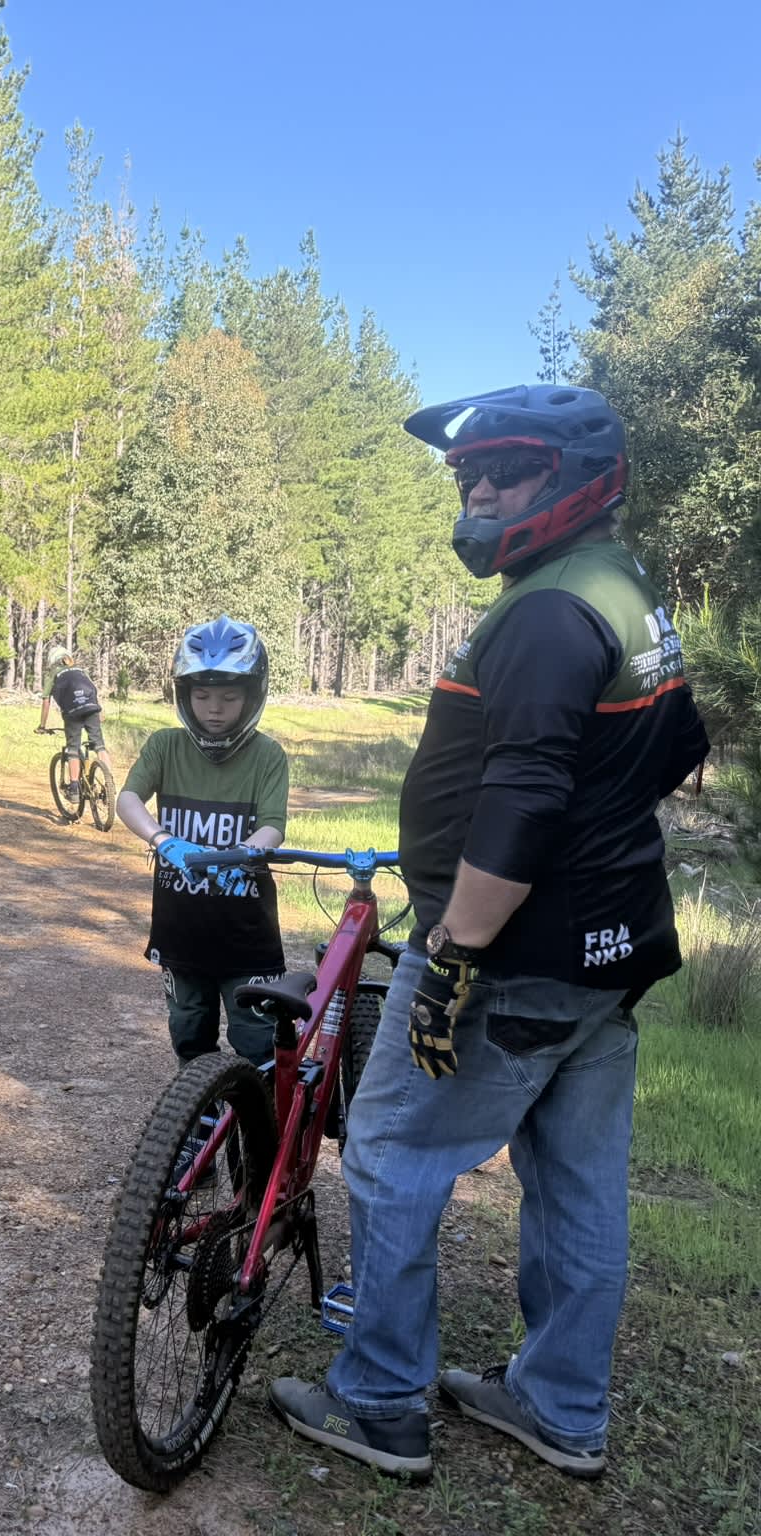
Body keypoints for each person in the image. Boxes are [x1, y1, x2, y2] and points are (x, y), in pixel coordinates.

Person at [271, 384, 709, 1481]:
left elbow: (518, 794)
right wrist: (598, 837)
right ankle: (557, 1406)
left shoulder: (547, 612)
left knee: (391, 1153)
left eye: (500, 471)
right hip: (605, 953)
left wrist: (454, 951)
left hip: (510, 957)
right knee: (574, 1182)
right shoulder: (619, 590)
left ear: (572, 478)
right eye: (465, 475)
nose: (474, 491)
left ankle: (375, 1402)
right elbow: (678, 740)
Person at [115, 617, 290, 1065]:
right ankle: (198, 1125)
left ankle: (260, 1127)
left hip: (247, 927)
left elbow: (273, 825)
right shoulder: (164, 746)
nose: (215, 707)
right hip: (181, 925)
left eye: (230, 697)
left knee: (256, 1038)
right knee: (189, 1032)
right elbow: (129, 798)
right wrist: (162, 839)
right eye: (202, 695)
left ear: (252, 696)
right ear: (184, 695)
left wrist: (242, 854)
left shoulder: (268, 756)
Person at [36, 646, 112, 791]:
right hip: (92, 708)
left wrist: (42, 725)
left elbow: (46, 700)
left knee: (73, 749)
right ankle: (110, 783)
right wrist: (99, 711)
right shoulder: (80, 670)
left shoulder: (53, 674)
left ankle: (74, 788)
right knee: (99, 746)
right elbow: (93, 689)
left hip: (72, 713)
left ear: (52, 661)